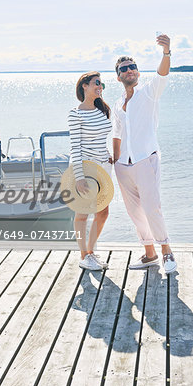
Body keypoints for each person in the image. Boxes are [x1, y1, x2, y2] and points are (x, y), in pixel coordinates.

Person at [112, 34, 177, 273]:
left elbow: (162, 74)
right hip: (123, 165)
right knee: (135, 212)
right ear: (118, 76)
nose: (129, 70)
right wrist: (115, 161)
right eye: (124, 69)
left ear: (138, 73)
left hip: (146, 159)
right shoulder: (119, 104)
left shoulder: (149, 92)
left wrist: (166, 53)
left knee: (152, 208)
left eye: (132, 67)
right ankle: (149, 253)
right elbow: (117, 133)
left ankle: (167, 252)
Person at [68, 72, 113, 270]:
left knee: (103, 212)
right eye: (96, 83)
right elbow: (75, 146)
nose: (100, 86)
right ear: (84, 86)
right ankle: (83, 255)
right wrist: (79, 177)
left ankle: (91, 252)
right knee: (82, 214)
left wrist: (108, 153)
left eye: (101, 83)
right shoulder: (75, 113)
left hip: (103, 167)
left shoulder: (101, 109)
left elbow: (102, 137)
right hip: (85, 168)